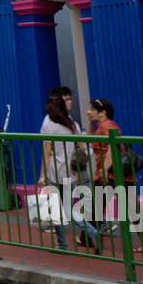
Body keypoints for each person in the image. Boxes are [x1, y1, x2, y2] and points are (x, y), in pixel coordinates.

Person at [86, 98, 143, 253]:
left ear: (102, 112)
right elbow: (90, 140)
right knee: (130, 208)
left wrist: (104, 169)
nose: (89, 112)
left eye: (92, 109)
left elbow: (112, 147)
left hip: (110, 174)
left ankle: (87, 237)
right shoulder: (100, 126)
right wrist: (90, 121)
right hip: (118, 175)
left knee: (96, 207)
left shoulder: (107, 126)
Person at [37, 93, 97, 252]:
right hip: (71, 172)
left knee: (58, 210)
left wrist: (42, 175)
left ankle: (64, 243)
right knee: (67, 207)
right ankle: (87, 230)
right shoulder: (73, 125)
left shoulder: (49, 125)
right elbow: (82, 147)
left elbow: (47, 152)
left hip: (55, 172)